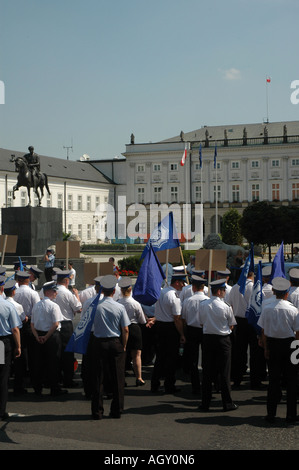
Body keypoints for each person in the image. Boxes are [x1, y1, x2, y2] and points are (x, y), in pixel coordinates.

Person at [257, 277, 299, 424]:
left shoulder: (267, 308)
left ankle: (271, 414)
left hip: (273, 345)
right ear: (287, 293)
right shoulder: (293, 310)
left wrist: (266, 347)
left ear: (274, 292)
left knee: (273, 380)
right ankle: (291, 415)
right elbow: (297, 332)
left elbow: (263, 330)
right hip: (290, 345)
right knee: (292, 381)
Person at [91, 275, 130, 420]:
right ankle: (117, 410)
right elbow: (125, 329)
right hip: (115, 342)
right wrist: (124, 345)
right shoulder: (119, 306)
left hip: (99, 342)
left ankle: (97, 411)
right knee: (118, 378)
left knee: (98, 378)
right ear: (114, 291)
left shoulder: (95, 306)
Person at [198, 279, 238, 412]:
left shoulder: (203, 304)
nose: (225, 293)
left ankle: (205, 403)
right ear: (220, 291)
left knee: (207, 372)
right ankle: (227, 403)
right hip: (223, 340)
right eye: (224, 290)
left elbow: (202, 322)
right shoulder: (226, 306)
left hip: (208, 339)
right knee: (225, 372)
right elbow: (231, 325)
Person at [228, 270, 266, 388]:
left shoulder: (234, 288)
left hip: (239, 321)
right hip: (252, 321)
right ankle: (255, 380)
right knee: (255, 353)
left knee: (239, 351)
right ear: (252, 275)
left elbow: (230, 305)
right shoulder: (255, 288)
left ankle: (237, 379)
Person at [150, 272, 186, 394]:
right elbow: (177, 318)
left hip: (160, 326)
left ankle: (154, 384)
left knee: (160, 357)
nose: (183, 285)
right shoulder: (173, 296)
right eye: (182, 283)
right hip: (169, 328)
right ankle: (169, 385)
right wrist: (181, 334)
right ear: (176, 283)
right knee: (171, 358)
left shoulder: (162, 292)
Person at [30, 281, 67, 397]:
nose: (56, 293)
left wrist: (38, 337)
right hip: (51, 336)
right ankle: (54, 388)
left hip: (38, 336)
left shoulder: (37, 305)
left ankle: (37, 388)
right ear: (48, 292)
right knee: (53, 363)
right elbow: (56, 324)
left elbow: (32, 324)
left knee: (38, 363)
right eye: (54, 291)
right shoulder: (54, 306)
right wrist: (46, 337)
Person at [181, 275, 209, 395]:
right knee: (207, 359)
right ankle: (208, 384)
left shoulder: (188, 301)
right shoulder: (208, 300)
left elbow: (184, 318)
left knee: (193, 360)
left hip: (192, 330)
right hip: (205, 330)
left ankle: (195, 386)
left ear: (193, 287)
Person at [54, 269, 82, 387]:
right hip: (65, 325)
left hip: (54, 325)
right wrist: (76, 295)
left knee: (56, 352)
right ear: (66, 280)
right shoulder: (67, 293)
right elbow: (78, 308)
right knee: (68, 353)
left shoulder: (52, 290)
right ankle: (68, 380)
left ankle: (57, 377)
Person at [117, 277, 147, 386]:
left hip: (121, 328)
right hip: (134, 328)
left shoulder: (118, 303)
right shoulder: (135, 303)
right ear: (130, 289)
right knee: (137, 355)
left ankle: (122, 379)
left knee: (123, 355)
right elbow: (142, 320)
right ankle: (139, 377)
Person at [0, 275, 21, 421]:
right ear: (2, 288)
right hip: (2, 343)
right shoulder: (7, 306)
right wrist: (18, 346)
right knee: (2, 377)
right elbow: (15, 329)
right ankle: (1, 411)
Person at [14, 270, 40, 385]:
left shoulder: (14, 292)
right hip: (30, 324)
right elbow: (37, 310)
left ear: (18, 281)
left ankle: (20, 379)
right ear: (28, 280)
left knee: (19, 352)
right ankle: (34, 380)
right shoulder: (33, 293)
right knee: (33, 353)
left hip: (17, 324)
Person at [4, 279, 27, 396]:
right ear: (13, 292)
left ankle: (5, 385)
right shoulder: (16, 306)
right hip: (13, 336)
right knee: (18, 363)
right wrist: (18, 346)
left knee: (3, 365)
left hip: (2, 338)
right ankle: (18, 386)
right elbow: (18, 325)